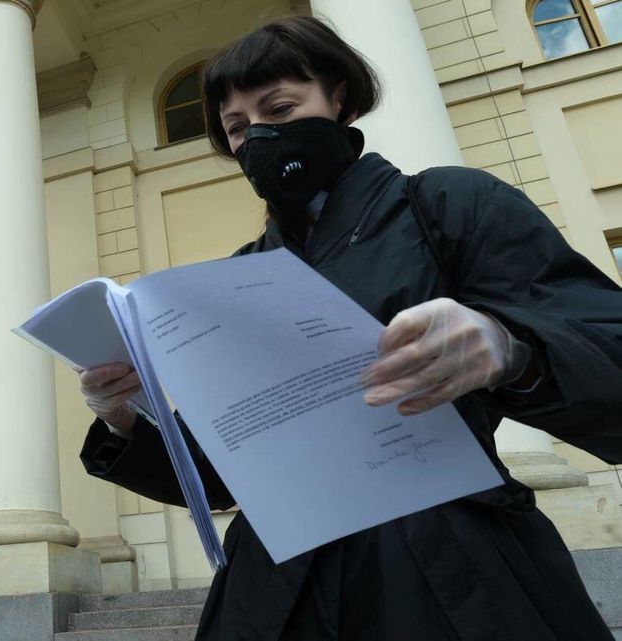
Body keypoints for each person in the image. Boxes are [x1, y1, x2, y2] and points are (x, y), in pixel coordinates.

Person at [78, 16, 621, 641]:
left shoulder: (449, 206)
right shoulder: (239, 278)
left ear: (339, 97)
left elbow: (608, 345)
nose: (258, 137)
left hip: (448, 572)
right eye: (236, 128)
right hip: (275, 594)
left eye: (279, 108)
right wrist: (125, 418)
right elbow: (225, 474)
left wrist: (508, 347)